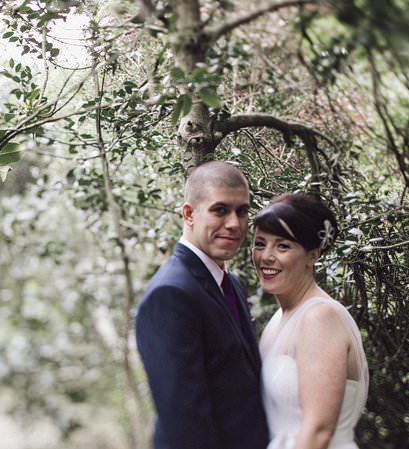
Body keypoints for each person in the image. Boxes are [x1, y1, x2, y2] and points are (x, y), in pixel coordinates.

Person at [135, 161, 269, 449]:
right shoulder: (170, 295)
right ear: (189, 214)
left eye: (242, 211)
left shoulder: (230, 284)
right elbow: (184, 420)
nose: (234, 223)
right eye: (220, 210)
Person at [252, 193, 369, 449]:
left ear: (313, 255)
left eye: (283, 246)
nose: (266, 256)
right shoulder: (278, 320)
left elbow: (318, 431)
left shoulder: (320, 318)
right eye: (260, 243)